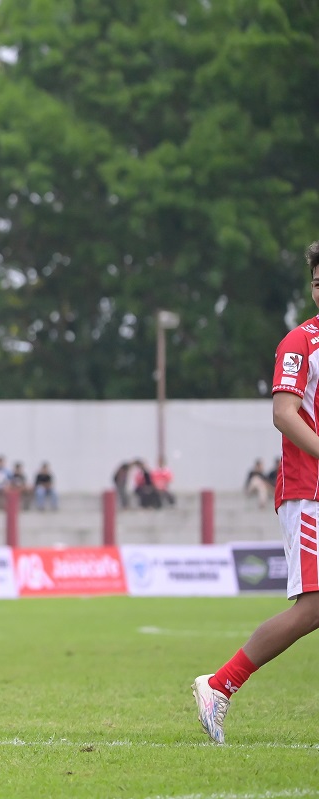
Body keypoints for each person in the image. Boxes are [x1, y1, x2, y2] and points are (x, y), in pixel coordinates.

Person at [192, 240, 319, 745]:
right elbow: (284, 414)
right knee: (312, 607)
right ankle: (219, 685)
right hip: (311, 492)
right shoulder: (300, 343)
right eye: (315, 282)